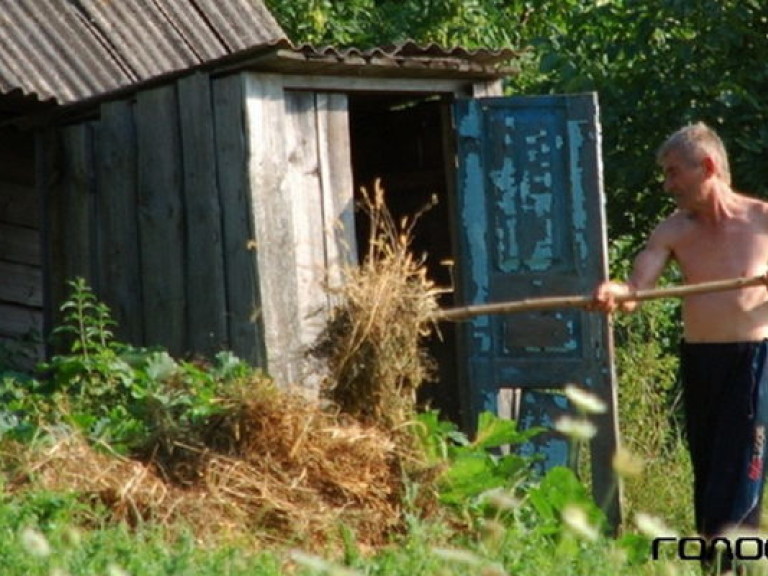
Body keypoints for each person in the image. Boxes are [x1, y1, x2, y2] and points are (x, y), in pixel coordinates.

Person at [592, 122, 768, 572]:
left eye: (674, 173)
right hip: (701, 364)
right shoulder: (672, 232)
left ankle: (724, 565)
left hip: (754, 364)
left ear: (707, 167)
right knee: (710, 474)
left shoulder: (763, 220)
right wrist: (616, 292)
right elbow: (636, 287)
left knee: (738, 474)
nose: (669, 185)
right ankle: (730, 565)